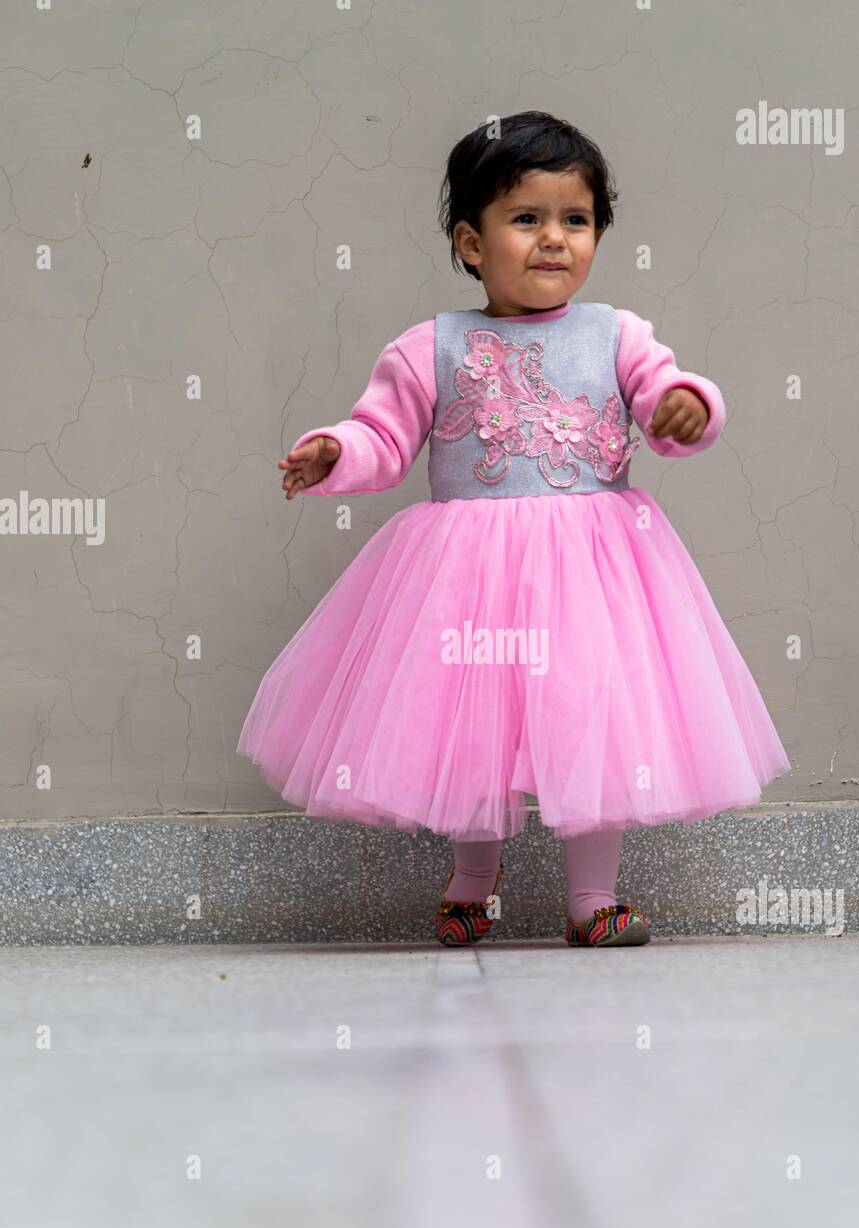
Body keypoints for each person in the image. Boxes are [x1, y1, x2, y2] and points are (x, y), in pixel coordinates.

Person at [237, 111, 791, 948]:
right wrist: (335, 453)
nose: (553, 240)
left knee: (596, 717)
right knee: (472, 728)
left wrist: (688, 406)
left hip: (595, 575)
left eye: (576, 219)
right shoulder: (432, 344)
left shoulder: (615, 334)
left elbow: (663, 396)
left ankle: (591, 897)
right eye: (525, 219)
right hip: (471, 573)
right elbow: (384, 438)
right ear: (470, 240)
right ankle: (471, 879)